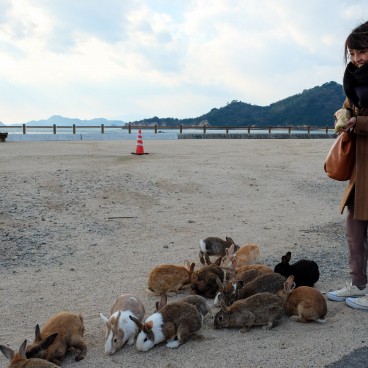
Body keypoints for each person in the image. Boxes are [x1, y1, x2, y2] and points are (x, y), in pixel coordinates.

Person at [326, 21, 368, 310]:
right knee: (354, 228)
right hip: (360, 167)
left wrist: (359, 123)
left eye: (362, 52)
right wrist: (343, 117)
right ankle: (357, 283)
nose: (356, 59)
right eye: (352, 53)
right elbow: (347, 108)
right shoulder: (353, 80)